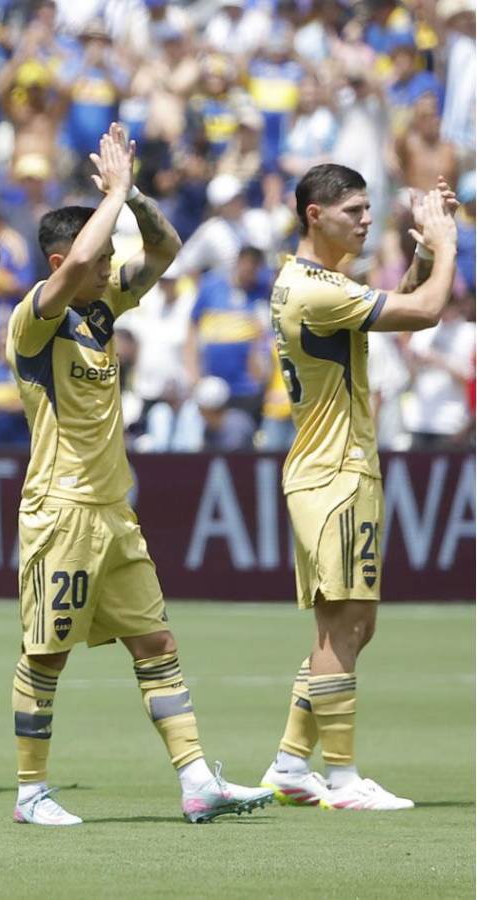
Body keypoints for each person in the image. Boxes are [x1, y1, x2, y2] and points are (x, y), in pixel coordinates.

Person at [5, 123, 273, 826]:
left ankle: (195, 782)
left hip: (113, 513)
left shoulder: (99, 309)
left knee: (156, 643)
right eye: (98, 261)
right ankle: (30, 794)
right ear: (65, 260)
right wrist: (114, 194)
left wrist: (135, 197)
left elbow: (165, 249)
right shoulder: (35, 319)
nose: (111, 269)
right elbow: (74, 268)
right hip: (59, 511)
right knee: (47, 656)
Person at [260, 164, 458, 811]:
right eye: (354, 210)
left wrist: (423, 251)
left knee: (351, 627)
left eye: (370, 209)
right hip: (335, 473)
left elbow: (392, 308)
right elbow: (425, 312)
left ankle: (292, 763)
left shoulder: (311, 283)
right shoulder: (317, 290)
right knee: (341, 628)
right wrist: (450, 240)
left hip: (332, 469)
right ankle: (342, 781)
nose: (366, 220)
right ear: (315, 215)